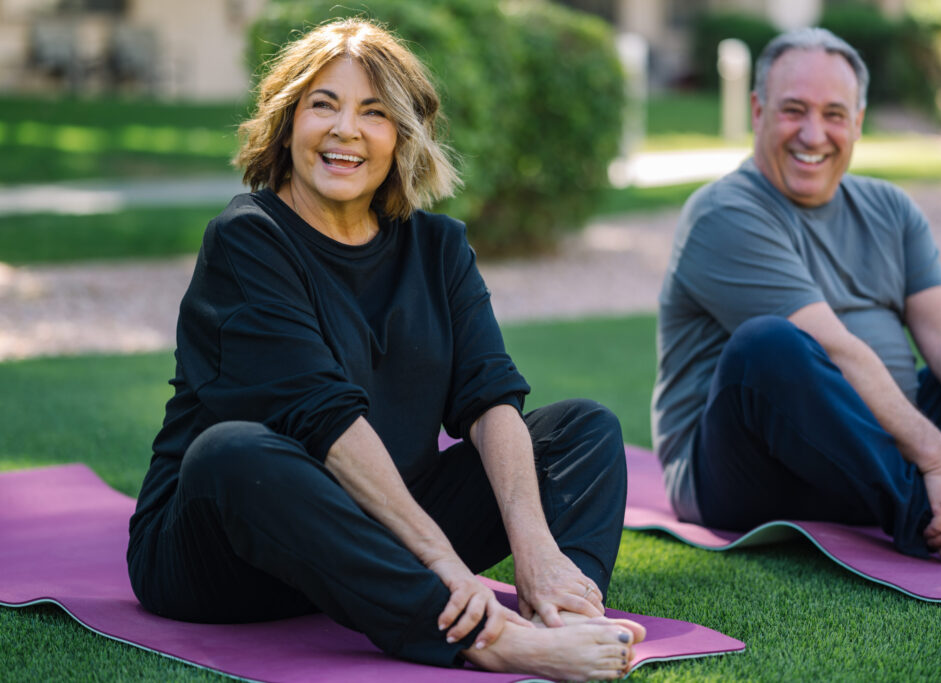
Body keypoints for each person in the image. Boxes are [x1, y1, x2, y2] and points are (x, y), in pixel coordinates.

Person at [127, 18, 644, 680]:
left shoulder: (438, 246)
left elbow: (488, 397)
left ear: (402, 135)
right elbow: (326, 424)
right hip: (231, 550)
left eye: (373, 112)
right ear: (288, 124)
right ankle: (484, 640)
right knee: (230, 452)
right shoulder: (246, 239)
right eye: (323, 105)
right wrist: (449, 567)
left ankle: (567, 607)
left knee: (582, 431)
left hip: (374, 535)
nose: (345, 130)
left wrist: (535, 550)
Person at [652, 27, 941, 568]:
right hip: (748, 468)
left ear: (858, 121)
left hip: (879, 443)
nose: (812, 134)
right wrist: (939, 459)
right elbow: (835, 349)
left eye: (833, 114)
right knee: (770, 344)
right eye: (793, 110)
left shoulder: (889, 208)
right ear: (758, 111)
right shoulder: (723, 213)